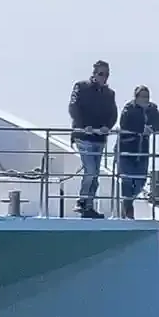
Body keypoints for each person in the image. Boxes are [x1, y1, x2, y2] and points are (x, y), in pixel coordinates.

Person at [67, 59, 117, 218]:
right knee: (91, 170)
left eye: (107, 75)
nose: (104, 78)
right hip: (83, 136)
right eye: (101, 74)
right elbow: (73, 107)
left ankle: (89, 205)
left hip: (99, 138)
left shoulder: (109, 94)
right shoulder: (81, 87)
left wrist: (106, 127)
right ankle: (82, 201)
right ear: (94, 73)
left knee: (95, 173)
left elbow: (113, 114)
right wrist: (83, 125)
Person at [115, 85, 159, 217]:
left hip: (142, 151)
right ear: (136, 98)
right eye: (142, 96)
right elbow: (124, 123)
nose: (145, 99)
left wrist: (151, 128)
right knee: (127, 180)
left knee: (140, 181)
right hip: (127, 149)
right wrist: (141, 129)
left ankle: (127, 202)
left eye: (147, 96)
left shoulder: (152, 109)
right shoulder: (129, 108)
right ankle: (128, 208)